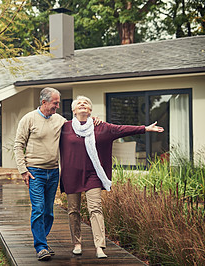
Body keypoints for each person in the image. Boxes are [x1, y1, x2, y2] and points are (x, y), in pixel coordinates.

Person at [59, 96, 164, 259]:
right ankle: (77, 243)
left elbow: (122, 129)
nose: (83, 105)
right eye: (79, 103)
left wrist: (145, 128)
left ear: (90, 110)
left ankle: (99, 246)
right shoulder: (64, 128)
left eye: (86, 103)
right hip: (71, 174)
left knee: (95, 208)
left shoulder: (101, 127)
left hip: (93, 174)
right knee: (73, 210)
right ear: (73, 110)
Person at [13, 88, 101, 261]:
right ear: (44, 102)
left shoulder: (60, 121)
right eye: (55, 103)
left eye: (58, 102)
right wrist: (23, 170)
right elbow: (18, 145)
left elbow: (78, 126)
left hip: (53, 172)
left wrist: (92, 119)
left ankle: (42, 241)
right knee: (38, 209)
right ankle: (41, 247)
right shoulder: (28, 119)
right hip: (34, 172)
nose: (58, 106)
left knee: (48, 212)